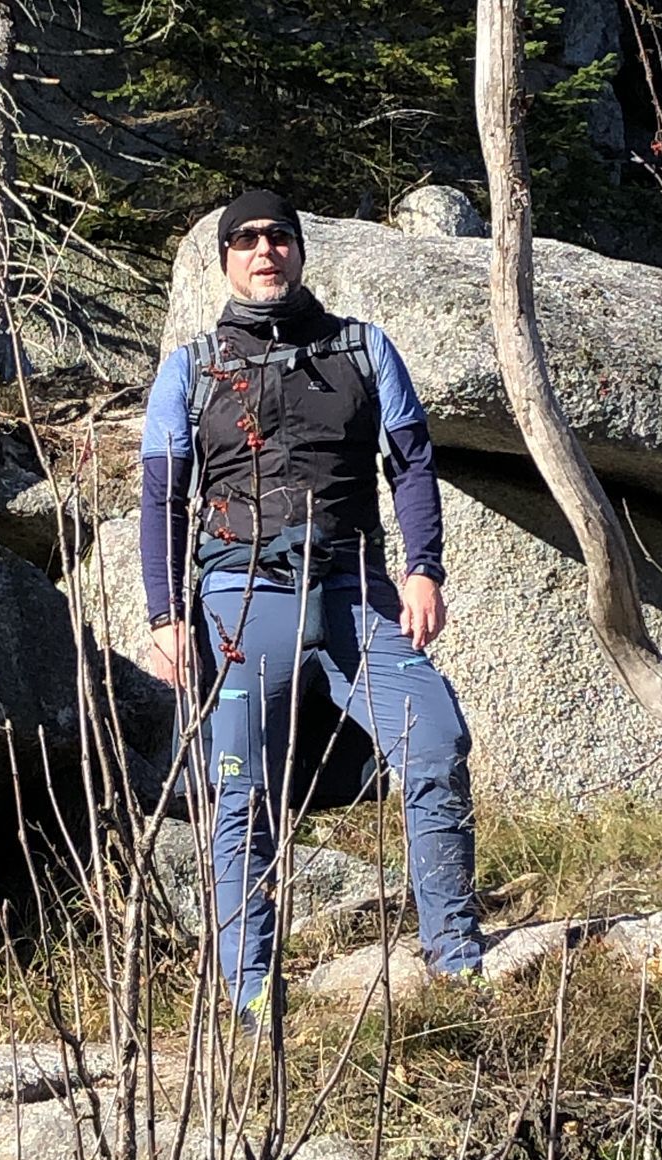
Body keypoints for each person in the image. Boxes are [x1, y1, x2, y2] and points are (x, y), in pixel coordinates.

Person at [140, 190, 486, 1031]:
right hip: (238, 595)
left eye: (280, 238)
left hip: (355, 591)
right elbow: (161, 496)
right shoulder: (191, 368)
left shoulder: (363, 350)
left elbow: (409, 465)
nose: (266, 252)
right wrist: (164, 614)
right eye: (247, 240)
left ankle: (457, 964)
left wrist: (423, 571)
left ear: (301, 252)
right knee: (240, 792)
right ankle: (253, 997)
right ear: (224, 259)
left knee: (436, 743)